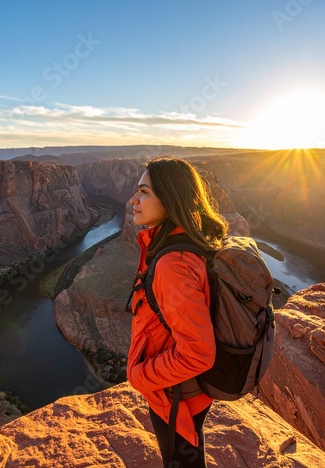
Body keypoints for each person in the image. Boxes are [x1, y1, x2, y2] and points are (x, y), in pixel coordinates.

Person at [126, 157, 228, 467]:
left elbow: (198, 353)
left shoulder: (173, 264)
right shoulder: (179, 240)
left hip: (176, 397)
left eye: (144, 192)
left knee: (182, 461)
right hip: (188, 390)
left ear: (170, 199)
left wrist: (139, 375)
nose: (133, 200)